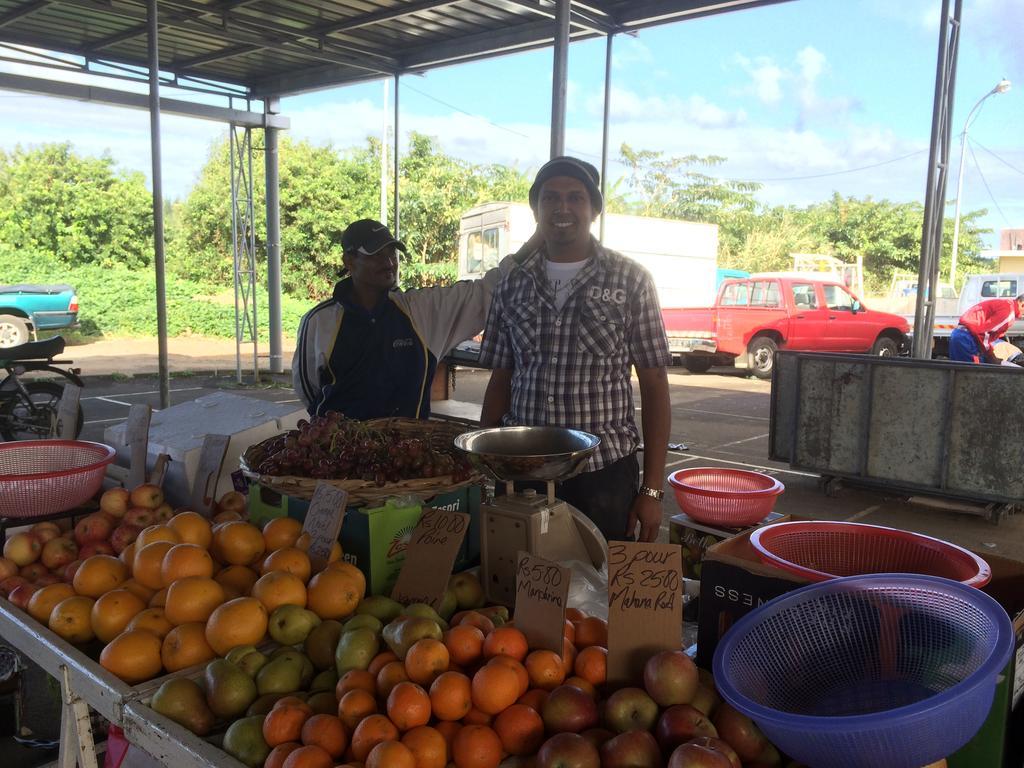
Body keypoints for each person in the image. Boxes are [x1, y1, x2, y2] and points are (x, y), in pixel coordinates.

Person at [477, 156, 671, 543]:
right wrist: (484, 470)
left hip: (602, 476)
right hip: (521, 473)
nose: (562, 208)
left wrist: (651, 491)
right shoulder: (511, 284)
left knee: (598, 593)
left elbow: (654, 385)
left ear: (594, 209)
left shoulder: (631, 280)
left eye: (575, 198)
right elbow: (500, 379)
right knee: (516, 587)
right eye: (550, 198)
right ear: (537, 209)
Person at [293, 218, 516, 420]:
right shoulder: (318, 322)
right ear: (349, 261)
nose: (389, 262)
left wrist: (535, 245)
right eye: (376, 255)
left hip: (408, 456)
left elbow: (486, 291)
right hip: (342, 457)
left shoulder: (419, 311)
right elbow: (309, 393)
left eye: (392, 253)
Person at [948, 294, 1024, 364]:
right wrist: (991, 356)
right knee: (973, 374)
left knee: (958, 373)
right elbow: (984, 333)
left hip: (958, 334)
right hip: (968, 339)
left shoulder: (1005, 304)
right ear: (1022, 305)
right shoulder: (1009, 313)